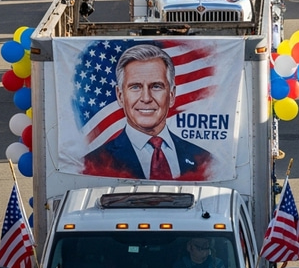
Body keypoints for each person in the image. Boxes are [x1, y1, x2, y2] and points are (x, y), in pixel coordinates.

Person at [83, 43, 213, 180]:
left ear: (172, 95)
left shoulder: (204, 159)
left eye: (156, 86)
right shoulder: (92, 163)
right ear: (120, 96)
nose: (146, 98)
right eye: (135, 87)